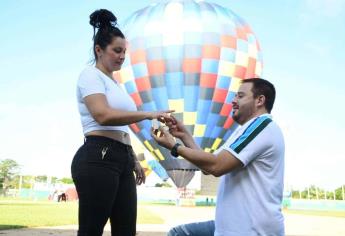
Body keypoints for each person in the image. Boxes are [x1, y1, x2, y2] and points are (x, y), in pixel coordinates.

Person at [71, 9, 173, 236]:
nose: (122, 56)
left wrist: (134, 159)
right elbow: (103, 116)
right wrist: (149, 114)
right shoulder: (90, 75)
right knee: (91, 230)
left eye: (124, 52)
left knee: (126, 230)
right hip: (98, 156)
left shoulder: (117, 85)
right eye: (117, 50)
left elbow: (122, 127)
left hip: (123, 158)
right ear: (99, 50)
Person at [152, 78, 285, 236]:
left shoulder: (261, 126)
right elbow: (208, 166)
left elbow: (216, 166)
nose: (233, 101)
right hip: (233, 226)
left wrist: (175, 147)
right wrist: (184, 136)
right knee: (178, 233)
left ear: (260, 100)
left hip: (249, 229)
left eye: (240, 96)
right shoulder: (244, 130)